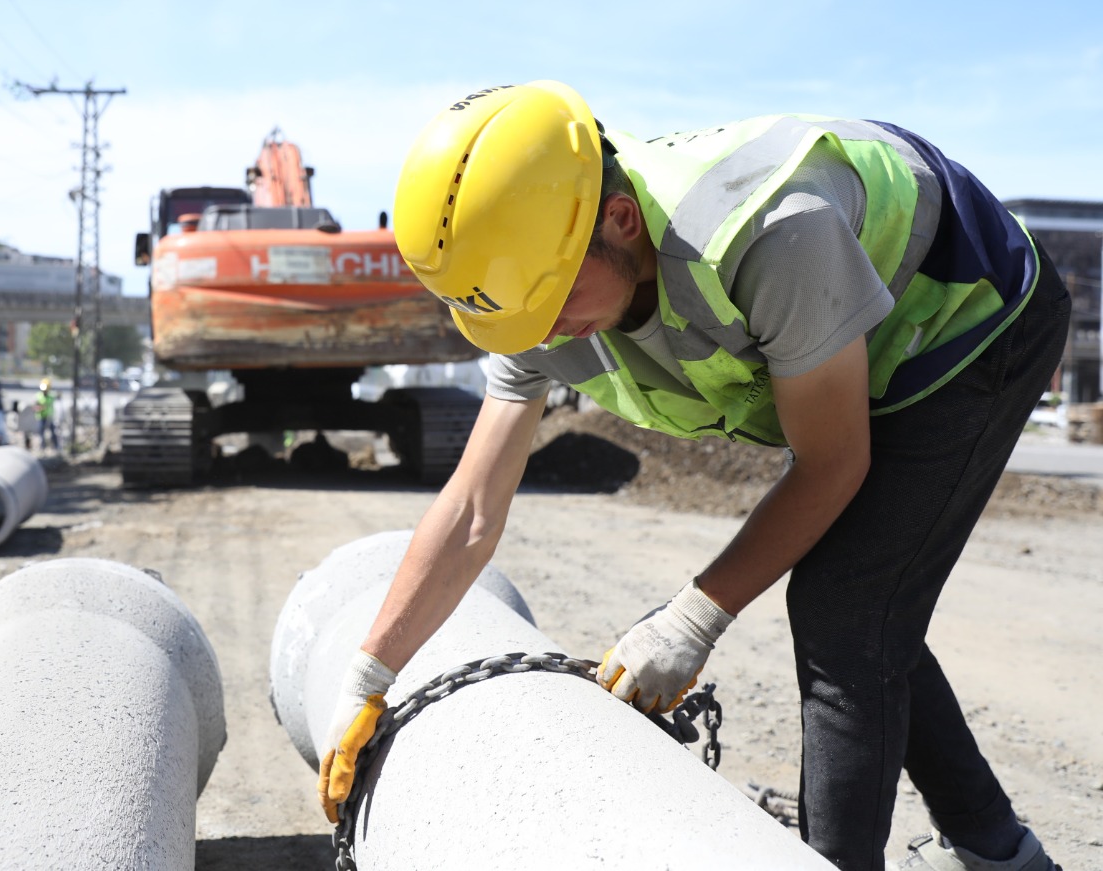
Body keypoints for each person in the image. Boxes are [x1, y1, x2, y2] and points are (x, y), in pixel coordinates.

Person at [316, 82, 1069, 871]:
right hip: (848, 342)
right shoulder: (536, 281)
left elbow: (833, 463)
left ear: (620, 220)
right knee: (872, 604)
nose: (541, 336)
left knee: (846, 604)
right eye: (518, 319)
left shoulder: (773, 234)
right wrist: (366, 676)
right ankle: (997, 851)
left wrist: (691, 618)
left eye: (553, 304)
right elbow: (472, 508)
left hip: (967, 324)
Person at [33, 378, 60, 454]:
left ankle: (56, 446)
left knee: (53, 432)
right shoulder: (38, 396)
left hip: (49, 417)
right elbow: (35, 407)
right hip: (41, 417)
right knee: (41, 433)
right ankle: (42, 448)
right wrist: (40, 408)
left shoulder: (51, 396)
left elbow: (58, 397)